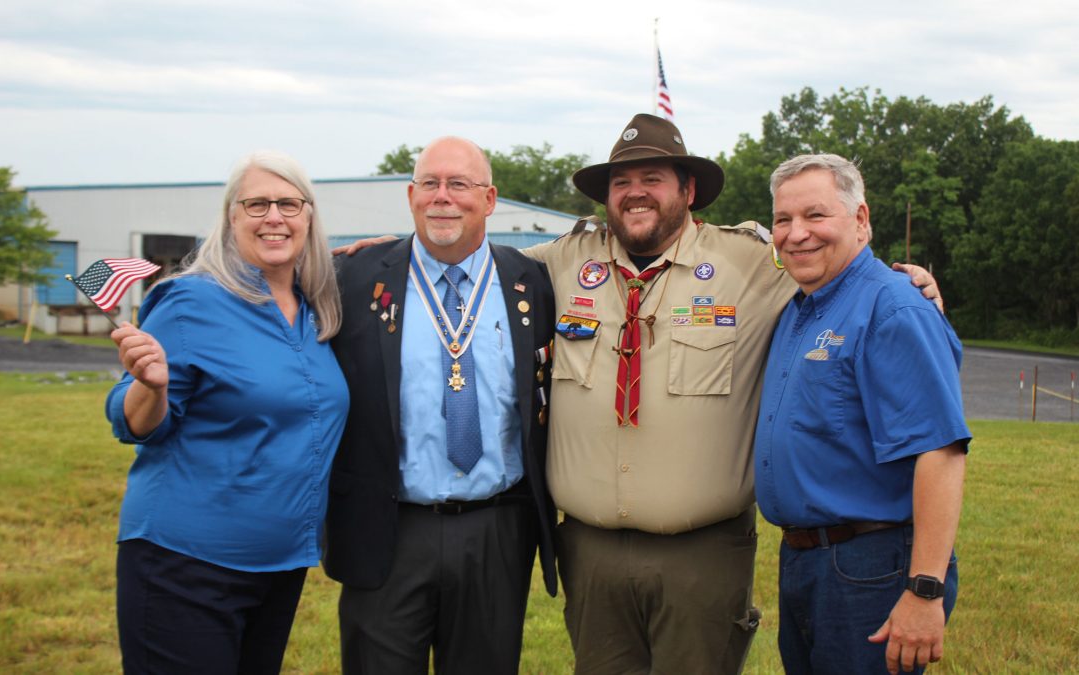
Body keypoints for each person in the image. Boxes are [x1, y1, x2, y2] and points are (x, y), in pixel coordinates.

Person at [336, 115, 940, 674]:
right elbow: (463, 253)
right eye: (621, 181)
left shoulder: (755, 263)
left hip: (701, 554)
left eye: (653, 178)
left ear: (689, 191)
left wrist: (899, 278)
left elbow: (830, 263)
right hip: (590, 553)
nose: (635, 192)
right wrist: (389, 253)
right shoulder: (559, 264)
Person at [105, 150, 350, 673]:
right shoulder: (192, 301)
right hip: (185, 561)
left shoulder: (316, 309)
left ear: (309, 215)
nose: (274, 217)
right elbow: (132, 421)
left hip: (280, 564)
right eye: (256, 204)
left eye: (289, 203)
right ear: (231, 217)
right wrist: (151, 387)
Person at [324, 136, 557, 675]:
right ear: (410, 195)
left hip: (497, 528)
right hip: (387, 529)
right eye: (429, 183)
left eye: (459, 184)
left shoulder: (532, 282)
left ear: (491, 198)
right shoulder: (353, 278)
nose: (442, 197)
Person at [753, 153, 969, 675]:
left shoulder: (893, 308)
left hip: (870, 565)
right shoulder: (800, 306)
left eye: (815, 215)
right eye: (783, 220)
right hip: (807, 560)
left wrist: (924, 591)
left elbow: (940, 453)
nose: (796, 233)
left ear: (861, 219)